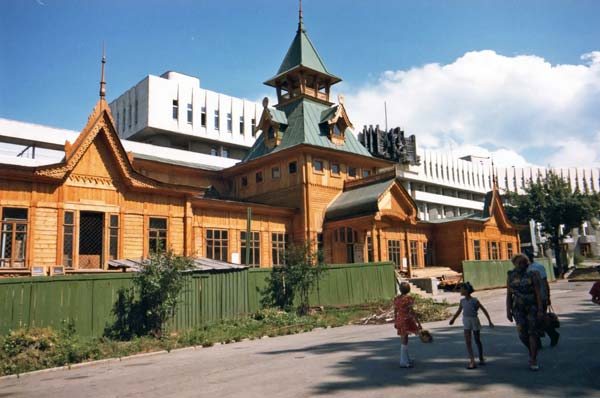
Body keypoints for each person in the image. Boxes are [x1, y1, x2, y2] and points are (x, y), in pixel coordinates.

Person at [507, 254, 544, 371]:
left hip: (532, 307)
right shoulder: (510, 276)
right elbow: (509, 294)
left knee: (532, 332)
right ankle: (531, 350)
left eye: (524, 262)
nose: (522, 265)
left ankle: (533, 359)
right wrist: (508, 310)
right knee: (522, 334)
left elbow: (538, 293)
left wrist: (540, 309)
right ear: (514, 263)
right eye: (519, 262)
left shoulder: (533, 275)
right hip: (517, 308)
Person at [449, 282, 494, 369]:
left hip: (474, 321)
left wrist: (489, 321)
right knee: (468, 342)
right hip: (466, 321)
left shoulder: (474, 300)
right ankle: (472, 361)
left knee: (477, 340)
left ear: (466, 290)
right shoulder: (462, 301)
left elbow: (483, 310)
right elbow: (459, 311)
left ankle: (481, 358)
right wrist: (453, 319)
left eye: (461, 289)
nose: (460, 290)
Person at [525, 251, 560, 347]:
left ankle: (553, 334)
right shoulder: (523, 269)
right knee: (531, 320)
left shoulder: (537, 267)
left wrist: (548, 296)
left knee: (541, 319)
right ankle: (537, 342)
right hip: (528, 299)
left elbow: (545, 282)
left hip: (540, 297)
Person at [393, 282, 422, 368]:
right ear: (409, 290)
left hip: (399, 319)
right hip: (407, 320)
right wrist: (418, 322)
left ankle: (406, 358)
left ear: (400, 289)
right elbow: (412, 311)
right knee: (404, 340)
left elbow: (395, 311)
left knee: (404, 338)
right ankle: (403, 361)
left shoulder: (396, 299)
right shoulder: (409, 299)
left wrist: (395, 321)